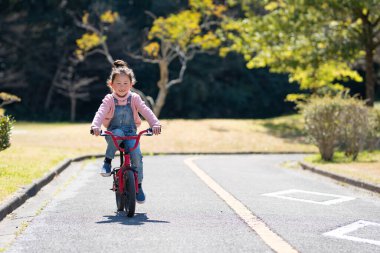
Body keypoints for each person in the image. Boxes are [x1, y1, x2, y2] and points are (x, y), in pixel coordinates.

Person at [91, 59, 161, 203]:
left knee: (137, 157)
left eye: (125, 84)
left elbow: (146, 111)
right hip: (114, 134)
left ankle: (138, 186)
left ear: (131, 84)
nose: (122, 87)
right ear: (111, 84)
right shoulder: (109, 99)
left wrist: (155, 123)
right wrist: (95, 127)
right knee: (118, 133)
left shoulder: (134, 98)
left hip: (131, 134)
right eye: (118, 83)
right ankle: (107, 161)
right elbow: (100, 112)